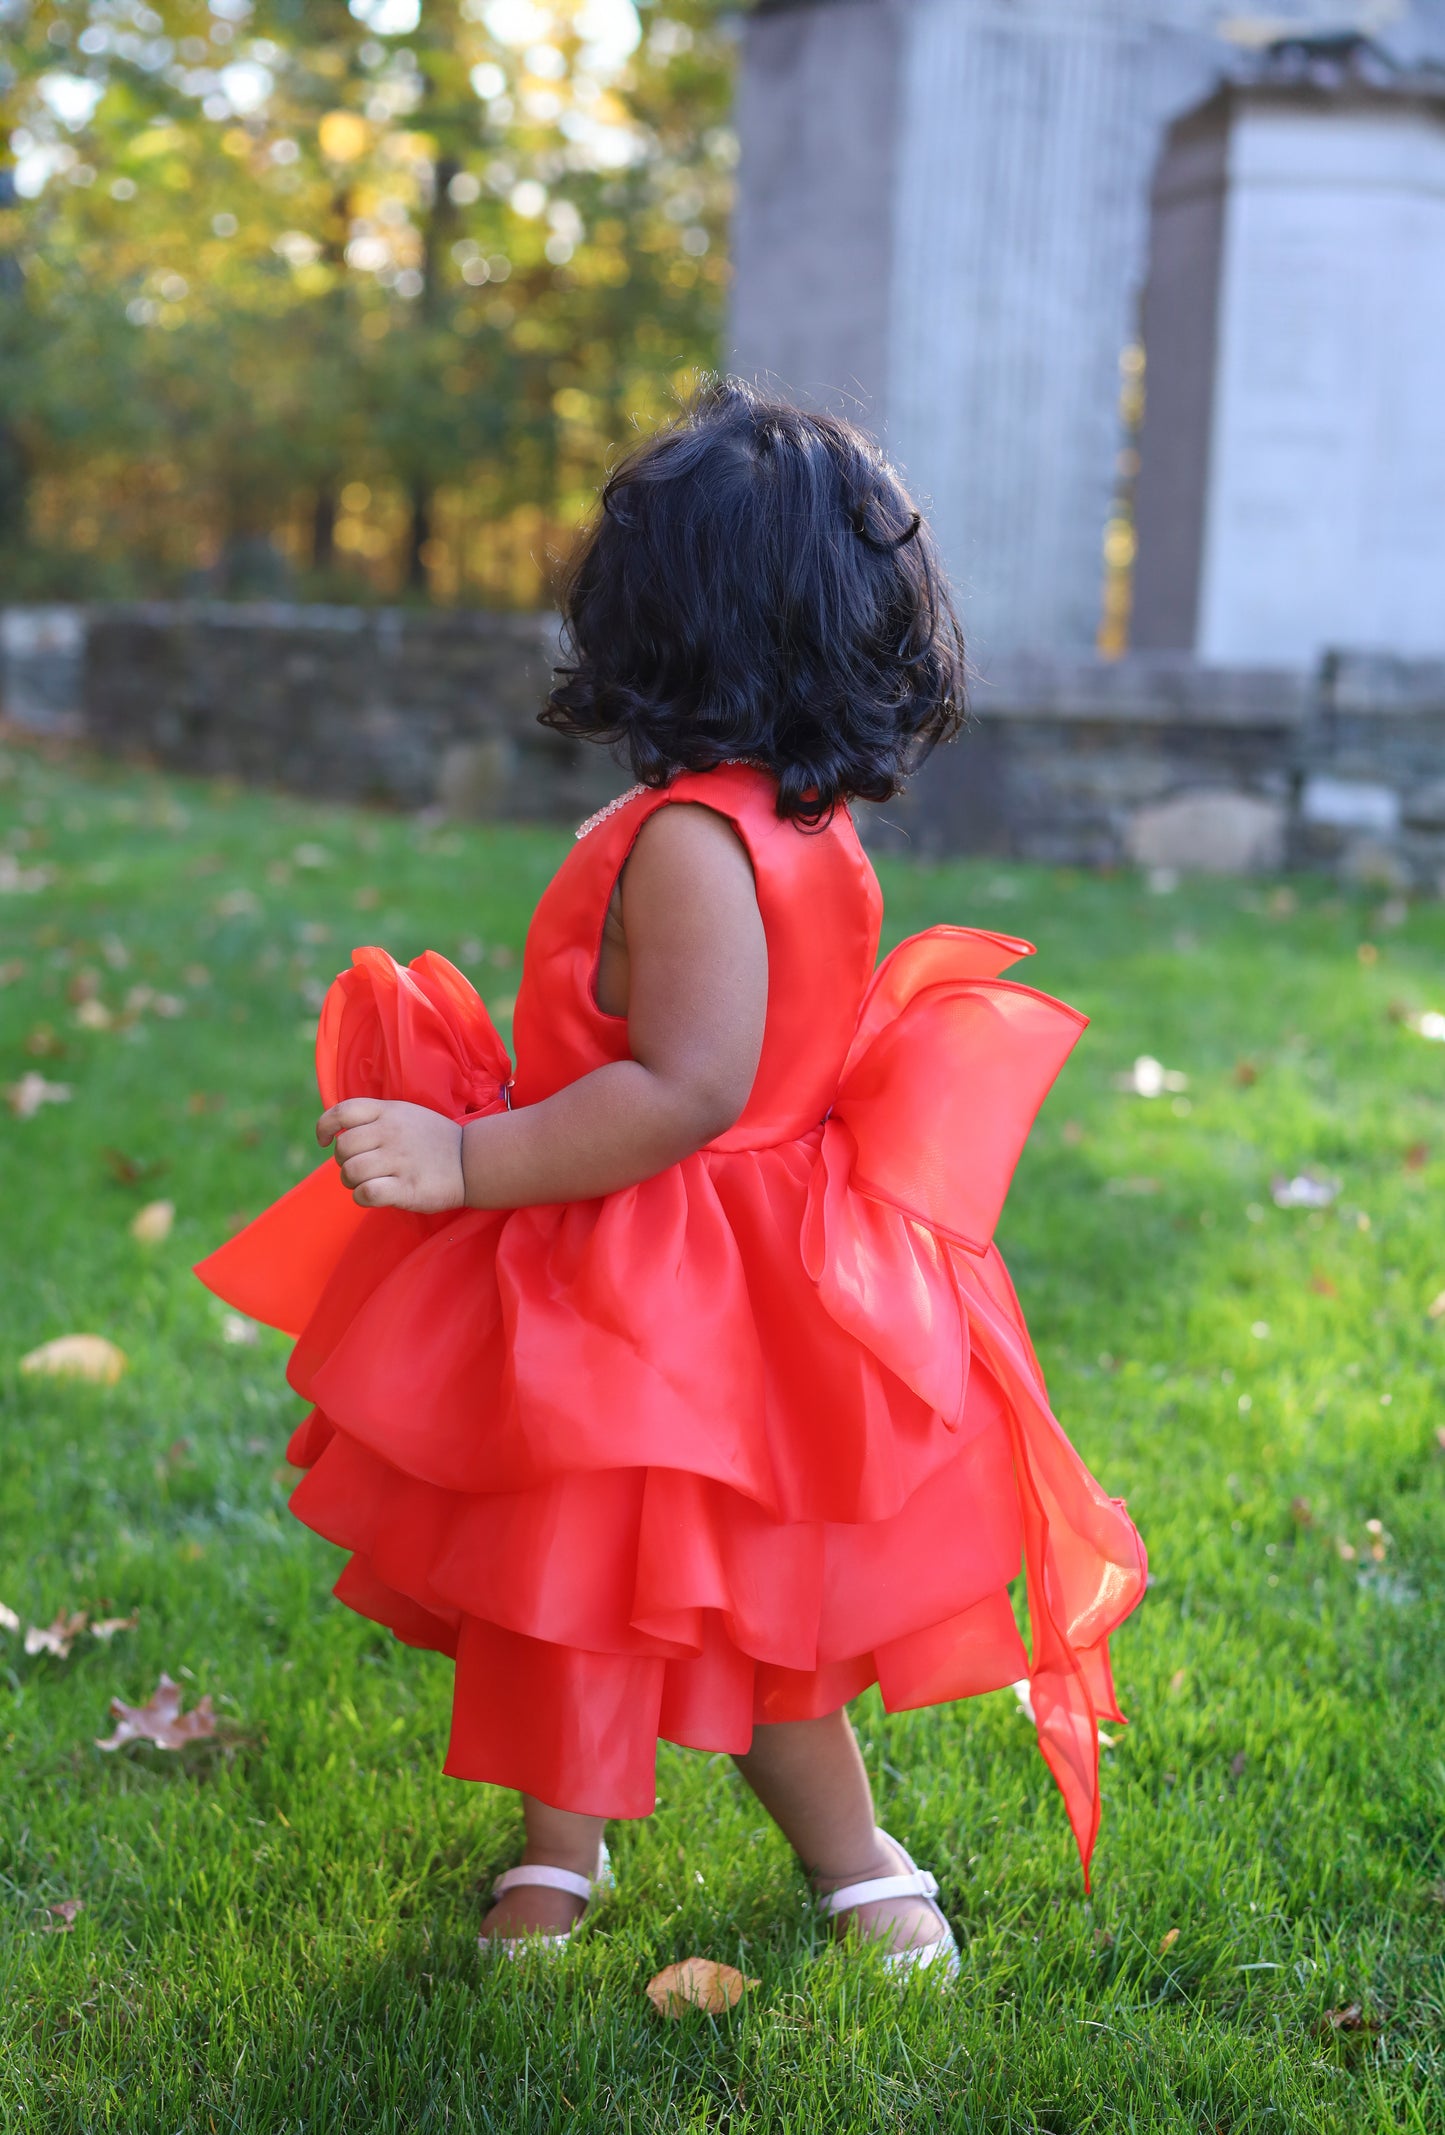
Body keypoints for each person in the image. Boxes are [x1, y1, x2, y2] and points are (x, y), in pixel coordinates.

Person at [197, 379, 1146, 1978]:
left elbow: (686, 1089)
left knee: (744, 1611)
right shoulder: (795, 813)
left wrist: (465, 1156)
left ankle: (852, 1860)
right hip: (715, 1253)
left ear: (656, 618)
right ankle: (557, 1851)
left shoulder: (696, 841)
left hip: (660, 1271)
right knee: (570, 1583)